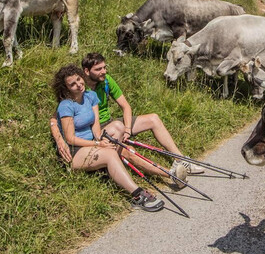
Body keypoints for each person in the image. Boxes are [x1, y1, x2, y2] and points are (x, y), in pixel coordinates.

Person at [51, 52, 203, 175]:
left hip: (111, 122)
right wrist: (59, 140)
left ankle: (180, 159)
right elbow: (55, 119)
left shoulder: (106, 81)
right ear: (86, 71)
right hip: (98, 131)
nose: (103, 72)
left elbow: (125, 106)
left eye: (104, 67)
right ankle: (164, 173)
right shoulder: (77, 87)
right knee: (126, 149)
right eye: (98, 69)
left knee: (153, 118)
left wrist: (128, 129)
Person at [51, 64, 171, 211]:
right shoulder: (66, 105)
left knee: (117, 128)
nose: (78, 85)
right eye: (72, 84)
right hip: (75, 150)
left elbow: (95, 127)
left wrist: (102, 139)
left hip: (91, 143)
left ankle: (115, 167)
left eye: (79, 79)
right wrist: (98, 144)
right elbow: (70, 138)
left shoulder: (90, 96)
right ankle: (138, 195)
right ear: (66, 88)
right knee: (109, 154)